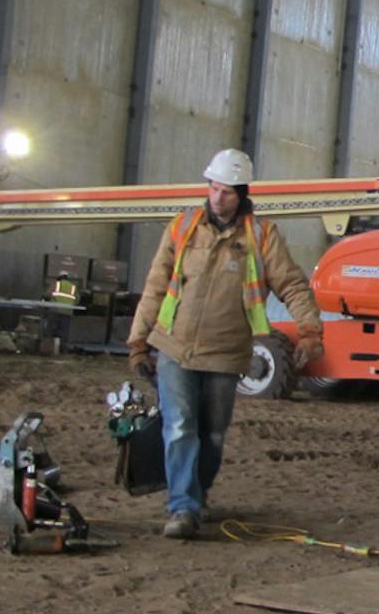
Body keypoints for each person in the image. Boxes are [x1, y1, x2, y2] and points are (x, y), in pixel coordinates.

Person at [127, 149, 323, 539]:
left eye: (228, 192)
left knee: (212, 433)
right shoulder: (182, 228)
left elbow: (292, 285)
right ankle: (183, 507)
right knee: (180, 426)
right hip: (175, 347)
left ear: (243, 194)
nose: (218, 198)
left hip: (226, 353)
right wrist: (138, 341)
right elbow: (155, 285)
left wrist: (310, 330)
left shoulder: (261, 236)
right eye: (214, 188)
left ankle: (197, 494)